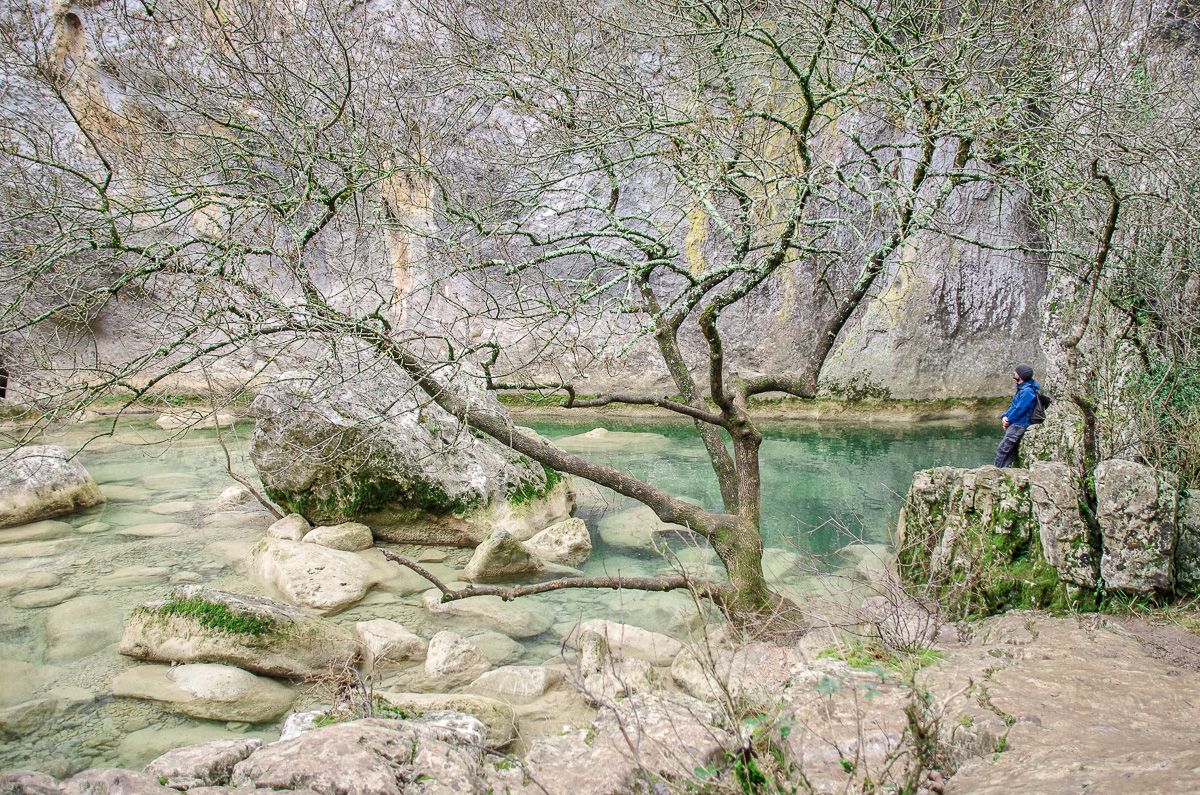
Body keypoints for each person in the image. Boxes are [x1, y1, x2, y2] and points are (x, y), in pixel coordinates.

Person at [994, 363, 1040, 468]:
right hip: (1016, 423)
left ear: (1021, 375)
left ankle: (996, 473)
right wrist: (1005, 416)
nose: (1014, 372)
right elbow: (1014, 406)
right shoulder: (1022, 389)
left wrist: (1009, 420)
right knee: (1009, 451)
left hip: (1019, 424)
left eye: (1016, 371)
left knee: (1002, 450)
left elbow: (1020, 409)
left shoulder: (1027, 391)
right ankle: (1005, 471)